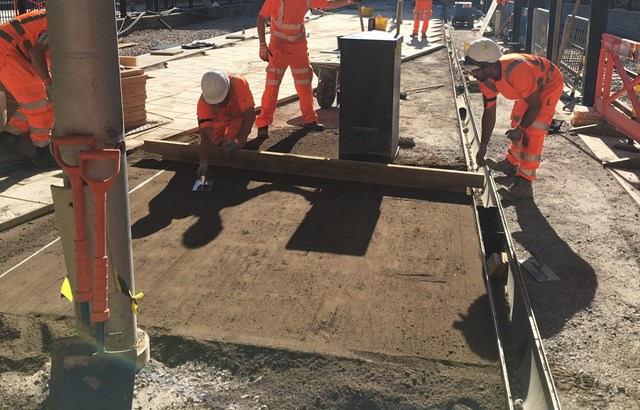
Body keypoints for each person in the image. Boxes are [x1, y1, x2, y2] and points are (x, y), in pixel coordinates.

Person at [461, 38, 564, 201]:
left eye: (475, 70)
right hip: (528, 88)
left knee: (532, 131)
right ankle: (511, 164)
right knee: (517, 121)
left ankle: (525, 182)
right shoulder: (486, 80)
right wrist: (483, 146)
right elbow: (489, 113)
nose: (472, 74)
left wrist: (522, 129)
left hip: (548, 85)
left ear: (488, 66)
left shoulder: (517, 71)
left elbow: (535, 106)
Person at [255, 0, 354, 139]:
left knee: (305, 85)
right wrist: (262, 45)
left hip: (298, 47)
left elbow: (327, 4)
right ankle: (263, 125)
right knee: (272, 87)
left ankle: (310, 120)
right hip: (278, 48)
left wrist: (348, 1)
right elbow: (261, 18)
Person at [0, 10, 54, 167]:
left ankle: (9, 138)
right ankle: (42, 152)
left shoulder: (58, 18)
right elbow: (36, 52)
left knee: (32, 103)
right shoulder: (57, 23)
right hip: (7, 52)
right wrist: (48, 82)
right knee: (42, 101)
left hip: (10, 50)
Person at [196, 70, 256, 178]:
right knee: (212, 143)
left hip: (237, 116)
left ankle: (231, 140)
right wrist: (203, 161)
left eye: (219, 102)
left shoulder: (238, 84)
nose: (215, 107)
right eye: (212, 104)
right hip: (219, 119)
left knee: (230, 146)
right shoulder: (203, 103)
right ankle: (220, 141)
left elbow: (250, 115)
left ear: (228, 91)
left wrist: (237, 142)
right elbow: (206, 134)